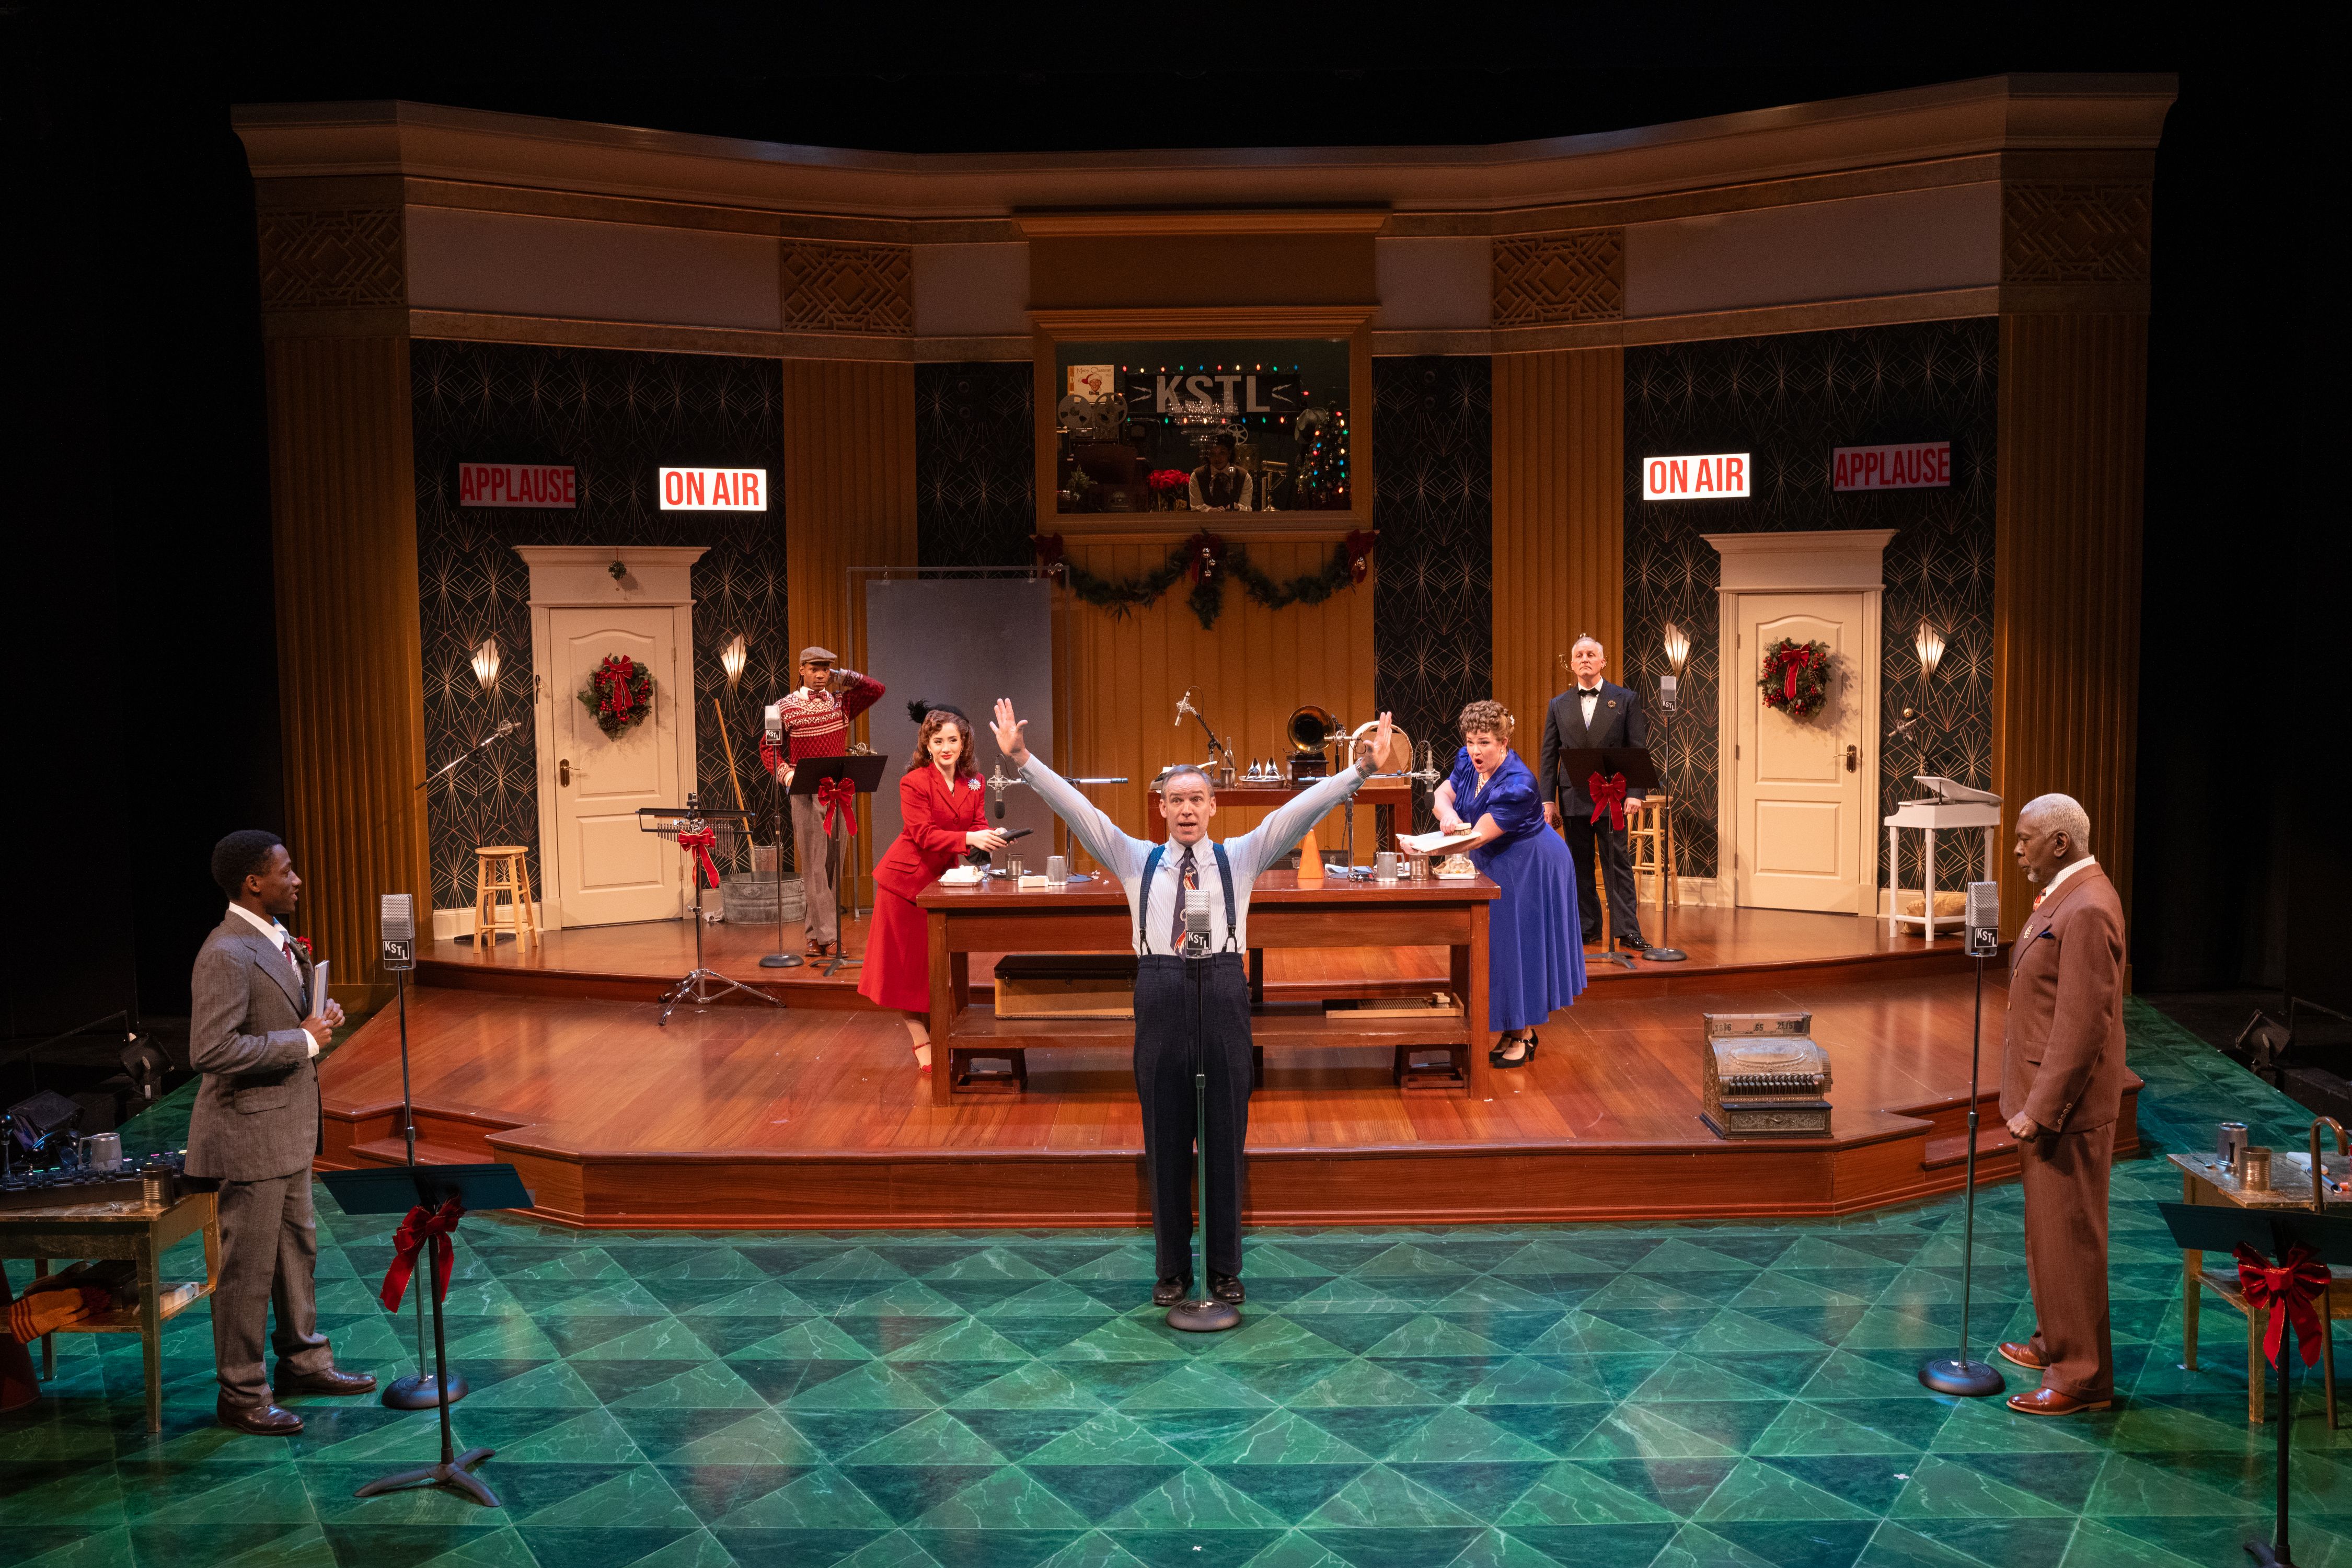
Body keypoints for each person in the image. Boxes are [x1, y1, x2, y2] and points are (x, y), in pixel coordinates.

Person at [994, 696, 1387, 1307]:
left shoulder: (1240, 857)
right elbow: (1077, 809)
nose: (1185, 809)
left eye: (1196, 799)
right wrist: (1023, 761)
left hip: (1223, 988)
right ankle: (1173, 1269)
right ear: (1161, 808)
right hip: (1160, 991)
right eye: (1175, 800)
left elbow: (1300, 811)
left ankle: (1225, 1267)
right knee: (1166, 1135)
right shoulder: (1135, 859)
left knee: (1225, 1133)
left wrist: (1360, 770)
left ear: (1212, 807)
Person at [187, 831, 377, 1434]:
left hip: (287, 1129)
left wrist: (314, 1021)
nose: (296, 880)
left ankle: (304, 1362)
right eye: (285, 871)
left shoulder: (275, 938)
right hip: (247, 1138)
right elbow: (210, 1050)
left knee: (297, 1254)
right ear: (253, 882)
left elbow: (283, 1022)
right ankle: (242, 1393)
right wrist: (300, 1039)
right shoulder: (225, 952)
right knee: (246, 1272)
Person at [1997, 792, 2128, 1417]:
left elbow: (2083, 1025)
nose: (2016, 849)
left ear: (2060, 843)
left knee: (2070, 1239)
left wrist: (2042, 1109)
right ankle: (2055, 1340)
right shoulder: (2066, 897)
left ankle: (2082, 1378)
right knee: (2048, 1234)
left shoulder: (2089, 907)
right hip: (2044, 1099)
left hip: (2066, 1109)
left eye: (2025, 838)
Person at [1433, 701, 1586, 1067]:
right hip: (1497, 859)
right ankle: (1510, 1028)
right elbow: (1442, 795)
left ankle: (1524, 1034)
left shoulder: (1519, 785)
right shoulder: (1468, 762)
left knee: (1518, 946)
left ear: (1503, 743)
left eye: (1484, 742)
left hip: (1530, 863)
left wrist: (1426, 848)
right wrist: (1449, 814)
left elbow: (1476, 838)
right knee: (1497, 947)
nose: (1475, 751)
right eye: (1470, 741)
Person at [861, 701, 1007, 1070]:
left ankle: (943, 1034)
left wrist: (991, 835)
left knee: (933, 968)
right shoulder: (913, 782)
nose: (946, 748)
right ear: (927, 744)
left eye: (953, 740)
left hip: (941, 883)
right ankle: (920, 1038)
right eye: (938, 741)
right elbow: (923, 835)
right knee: (906, 970)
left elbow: (976, 823)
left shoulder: (974, 781)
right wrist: (970, 840)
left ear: (964, 743)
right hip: (904, 883)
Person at [769, 646, 885, 959]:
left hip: (839, 791)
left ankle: (813, 935)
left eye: (826, 670)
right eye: (815, 669)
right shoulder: (782, 708)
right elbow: (770, 749)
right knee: (814, 865)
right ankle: (830, 937)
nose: (821, 675)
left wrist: (841, 675)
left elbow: (876, 689)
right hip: (807, 793)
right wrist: (786, 774)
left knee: (832, 863)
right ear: (802, 670)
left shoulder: (840, 703)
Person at [1538, 634, 1651, 954]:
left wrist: (1635, 792)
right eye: (1579, 655)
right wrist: (1547, 800)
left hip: (1612, 796)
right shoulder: (1558, 705)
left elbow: (1637, 748)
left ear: (1603, 661)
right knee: (1579, 864)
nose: (1585, 659)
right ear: (1572, 665)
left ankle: (1627, 930)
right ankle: (1587, 928)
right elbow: (1549, 755)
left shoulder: (1625, 699)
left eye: (1591, 654)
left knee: (1618, 863)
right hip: (1574, 795)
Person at [1187, 432, 1253, 512]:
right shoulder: (1197, 476)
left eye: (1222, 453)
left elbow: (1247, 508)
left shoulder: (1243, 476)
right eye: (1212, 454)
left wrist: (1238, 507)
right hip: (1206, 520)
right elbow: (1196, 507)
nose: (1217, 458)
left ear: (1229, 453)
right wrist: (1210, 511)